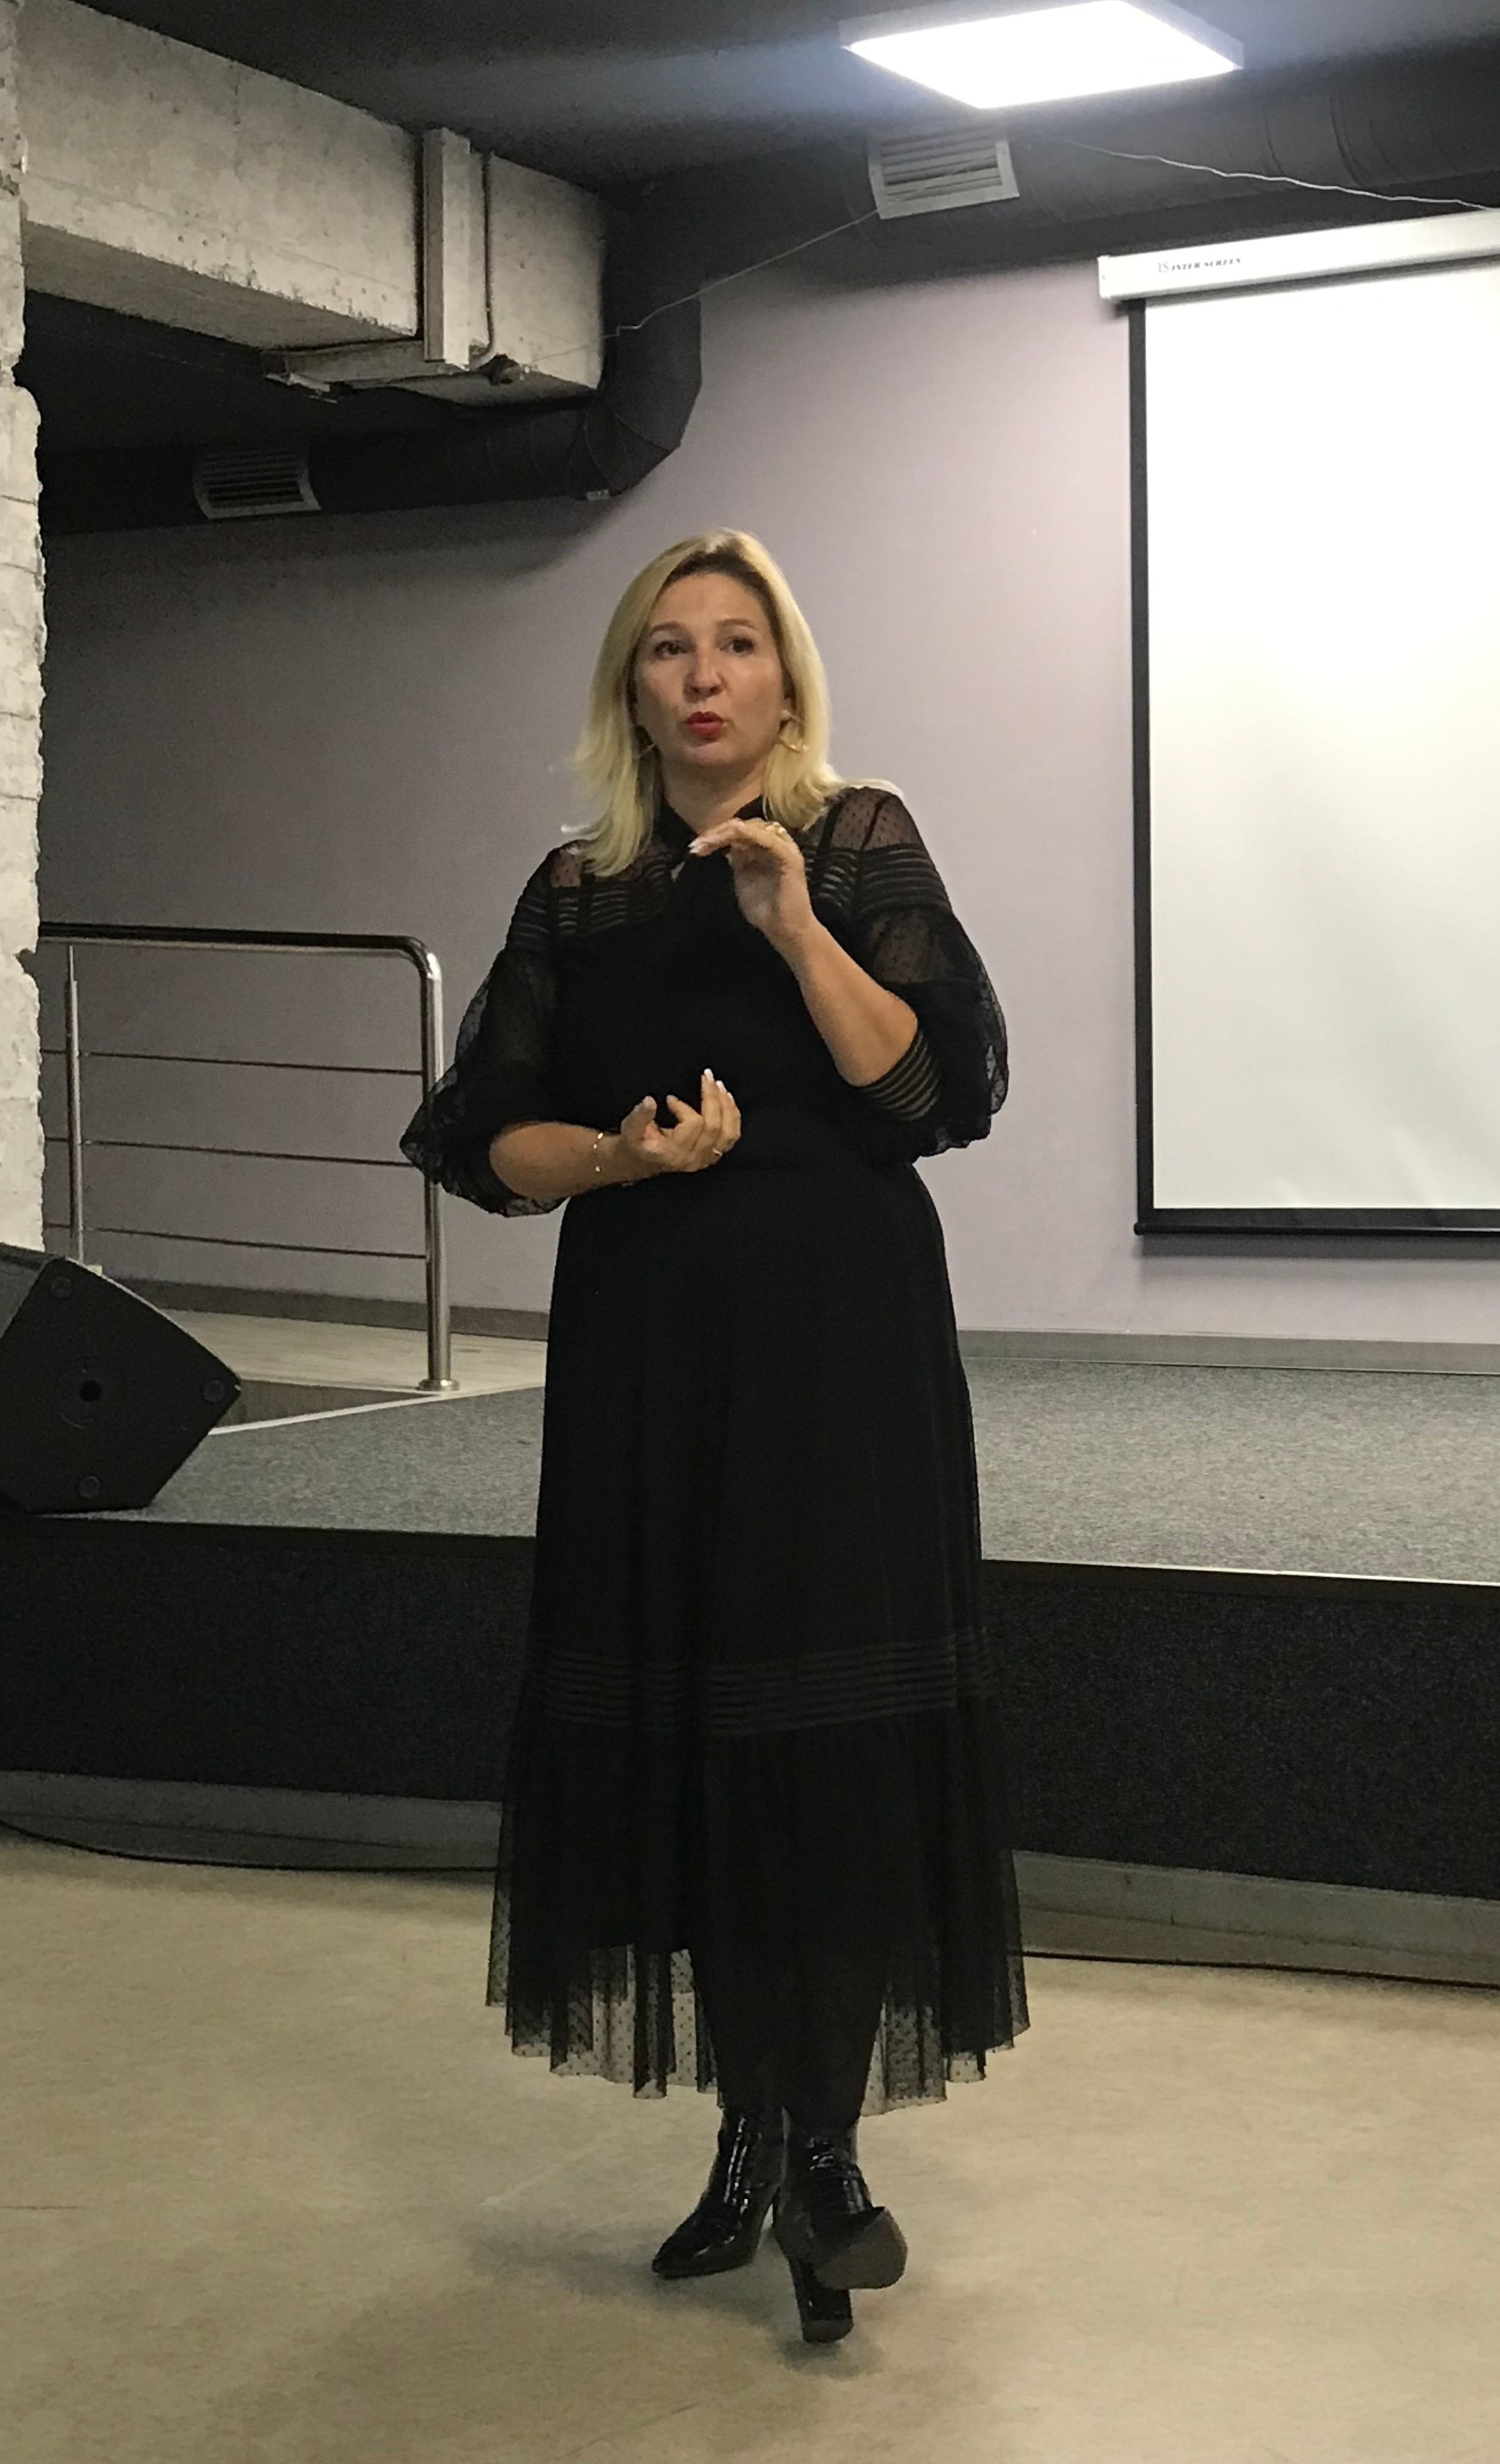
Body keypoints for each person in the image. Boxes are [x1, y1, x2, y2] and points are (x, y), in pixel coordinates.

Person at [402, 527, 1028, 2344]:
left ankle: (821, 2155)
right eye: (669, 647)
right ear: (633, 687)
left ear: (784, 678)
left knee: (825, 1719)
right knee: (689, 1709)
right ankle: (755, 2137)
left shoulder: (861, 841)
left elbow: (936, 1088)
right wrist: (619, 1156)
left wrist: (794, 923)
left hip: (841, 1343)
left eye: (737, 644)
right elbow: (485, 1137)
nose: (702, 676)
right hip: (650, 1347)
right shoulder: (579, 890)